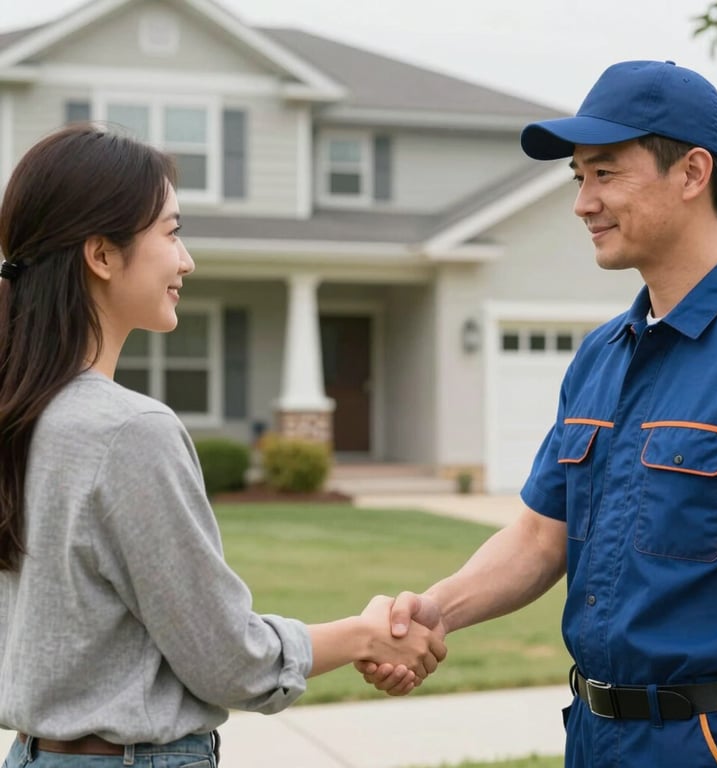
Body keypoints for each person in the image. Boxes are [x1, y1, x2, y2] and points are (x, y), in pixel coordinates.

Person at [358, 60, 717, 767]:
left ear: (694, 172)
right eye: (578, 177)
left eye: (604, 174)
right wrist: (435, 611)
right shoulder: (602, 355)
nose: (583, 202)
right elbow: (542, 538)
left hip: (714, 745)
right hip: (593, 736)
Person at [0, 124, 446, 768]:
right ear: (101, 255)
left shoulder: (22, 415)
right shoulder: (128, 431)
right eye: (171, 232)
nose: (186, 261)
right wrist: (364, 635)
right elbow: (228, 661)